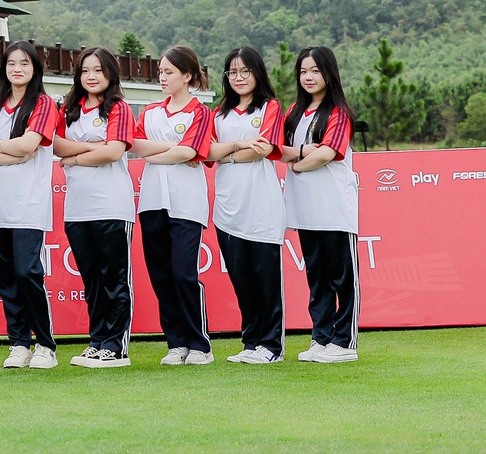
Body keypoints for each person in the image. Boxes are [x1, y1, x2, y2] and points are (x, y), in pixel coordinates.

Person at [0, 41, 62, 369]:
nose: (17, 69)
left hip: (29, 203)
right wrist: (11, 150)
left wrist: (1, 148)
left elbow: (29, 145)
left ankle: (45, 345)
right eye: (11, 63)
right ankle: (19, 343)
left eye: (24, 63)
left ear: (35, 68)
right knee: (6, 278)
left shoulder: (42, 104)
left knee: (28, 273)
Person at [129, 44, 215, 366]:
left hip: (186, 204)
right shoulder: (150, 112)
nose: (162, 78)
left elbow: (190, 153)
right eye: (160, 72)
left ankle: (199, 345)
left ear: (187, 75)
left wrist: (170, 152)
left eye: (168, 72)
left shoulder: (201, 112)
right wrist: (176, 148)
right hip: (152, 201)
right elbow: (135, 145)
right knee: (161, 276)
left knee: (183, 274)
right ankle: (176, 343)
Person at [53, 47, 136, 368]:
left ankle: (115, 346)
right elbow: (56, 143)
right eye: (86, 71)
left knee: (114, 278)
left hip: (111, 206)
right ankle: (97, 340)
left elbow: (114, 152)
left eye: (98, 70)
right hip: (78, 208)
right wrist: (91, 147)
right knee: (92, 281)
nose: (91, 76)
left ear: (110, 74)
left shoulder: (119, 108)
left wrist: (74, 158)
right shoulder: (70, 109)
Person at [280, 46, 360, 363]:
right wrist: (301, 153)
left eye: (315, 70)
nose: (309, 77)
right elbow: (279, 150)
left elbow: (328, 153)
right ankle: (321, 338)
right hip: (305, 209)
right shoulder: (294, 113)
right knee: (318, 278)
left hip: (334, 209)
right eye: (303, 71)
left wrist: (298, 163)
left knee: (343, 277)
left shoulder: (338, 113)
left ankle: (345, 342)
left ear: (329, 73)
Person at [210, 46, 288, 364]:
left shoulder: (269, 106)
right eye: (233, 72)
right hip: (228, 207)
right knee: (241, 278)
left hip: (261, 205)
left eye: (245, 71)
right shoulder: (220, 113)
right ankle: (251, 342)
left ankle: (271, 346)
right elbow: (206, 152)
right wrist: (239, 147)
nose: (239, 78)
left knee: (264, 277)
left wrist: (227, 154)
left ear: (257, 73)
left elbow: (264, 147)